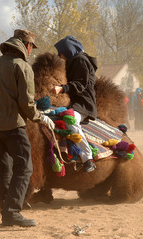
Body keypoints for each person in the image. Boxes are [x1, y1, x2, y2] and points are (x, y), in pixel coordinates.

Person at [0, 29, 55, 227]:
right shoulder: (22, 66)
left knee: (4, 167)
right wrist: (40, 117)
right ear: (26, 45)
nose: (31, 51)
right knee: (24, 168)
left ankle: (6, 209)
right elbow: (26, 102)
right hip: (12, 126)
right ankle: (13, 212)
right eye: (31, 46)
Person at [52, 35, 98, 173]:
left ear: (68, 50)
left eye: (61, 52)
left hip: (84, 105)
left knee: (69, 119)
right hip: (75, 103)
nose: (59, 56)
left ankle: (87, 158)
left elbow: (80, 84)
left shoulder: (81, 61)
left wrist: (62, 88)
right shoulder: (74, 62)